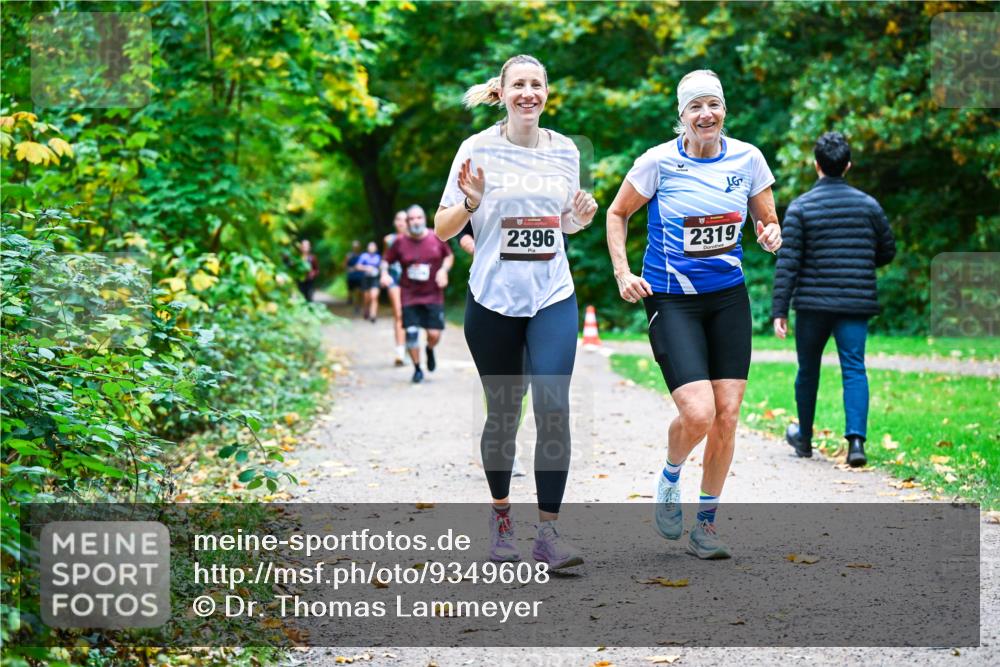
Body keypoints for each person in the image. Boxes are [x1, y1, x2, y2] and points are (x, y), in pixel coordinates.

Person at [606, 69, 781, 560]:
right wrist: (622, 272)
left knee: (727, 415)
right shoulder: (658, 162)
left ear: (724, 110)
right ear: (681, 115)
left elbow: (768, 221)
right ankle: (670, 475)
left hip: (727, 298)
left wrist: (772, 234)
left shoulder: (748, 159)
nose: (706, 114)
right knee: (699, 413)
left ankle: (706, 525)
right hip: (671, 299)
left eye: (713, 105)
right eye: (695, 107)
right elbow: (617, 213)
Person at [435, 54, 598, 569]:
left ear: (546, 93)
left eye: (536, 85)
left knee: (553, 406)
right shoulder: (476, 148)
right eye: (519, 85)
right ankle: (502, 518)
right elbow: (442, 227)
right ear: (502, 93)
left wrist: (579, 218)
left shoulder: (565, 149)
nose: (528, 93)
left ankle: (548, 534)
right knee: (505, 412)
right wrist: (470, 203)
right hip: (493, 299)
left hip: (552, 293)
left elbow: (562, 223)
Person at [771, 131, 896, 467]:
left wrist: (779, 310)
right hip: (855, 304)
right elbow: (887, 250)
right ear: (848, 165)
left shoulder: (801, 208)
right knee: (854, 368)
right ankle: (856, 443)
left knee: (808, 369)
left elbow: (788, 263)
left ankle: (804, 439)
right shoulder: (869, 206)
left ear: (817, 165)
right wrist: (859, 263)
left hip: (812, 306)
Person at [380, 205, 453, 383]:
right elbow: (385, 260)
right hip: (409, 295)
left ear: (424, 219)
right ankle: (417, 368)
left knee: (434, 334)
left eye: (418, 218)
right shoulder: (400, 242)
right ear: (407, 222)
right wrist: (384, 273)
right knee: (411, 333)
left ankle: (429, 348)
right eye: (411, 219)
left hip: (433, 294)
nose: (415, 222)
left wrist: (443, 271)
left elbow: (449, 256)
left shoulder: (436, 237)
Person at [384, 211, 409, 365]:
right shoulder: (389, 239)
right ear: (394, 222)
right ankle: (400, 351)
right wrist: (384, 274)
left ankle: (410, 344)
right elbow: (385, 259)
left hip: (411, 281)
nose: (401, 222)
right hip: (394, 279)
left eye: (404, 219)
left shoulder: (414, 238)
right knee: (399, 314)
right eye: (398, 219)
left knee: (411, 314)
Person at [356, 241, 382, 323]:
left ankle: (373, 314)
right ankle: (366, 309)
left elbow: (382, 266)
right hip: (366, 279)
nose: (371, 248)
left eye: (373, 247)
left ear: (376, 248)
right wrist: (366, 268)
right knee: (367, 297)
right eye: (370, 246)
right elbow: (358, 266)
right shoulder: (364, 256)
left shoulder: (378, 257)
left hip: (375, 278)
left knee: (374, 296)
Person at [344, 240, 364, 313]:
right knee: (351, 291)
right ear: (352, 247)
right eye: (354, 246)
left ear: (359, 247)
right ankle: (350, 299)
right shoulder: (349, 255)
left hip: (360, 276)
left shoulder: (362, 255)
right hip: (351, 276)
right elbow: (344, 265)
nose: (356, 247)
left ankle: (357, 306)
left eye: (357, 246)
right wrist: (350, 268)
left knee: (358, 291)